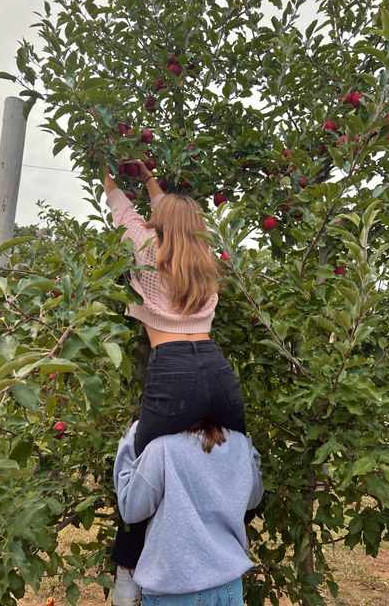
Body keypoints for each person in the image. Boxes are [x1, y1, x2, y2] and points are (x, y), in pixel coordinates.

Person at [103, 161, 247, 606]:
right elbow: (169, 214)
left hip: (173, 372)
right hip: (217, 370)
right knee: (239, 458)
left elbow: (124, 213)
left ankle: (127, 574)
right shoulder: (205, 262)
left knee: (138, 476)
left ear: (160, 225)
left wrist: (110, 181)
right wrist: (150, 179)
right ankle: (228, 551)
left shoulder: (147, 250)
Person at [113, 418, 263, 605]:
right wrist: (247, 446)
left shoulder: (163, 447)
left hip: (174, 588)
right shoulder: (238, 443)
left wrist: (133, 438)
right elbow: (253, 499)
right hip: (228, 585)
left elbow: (131, 508)